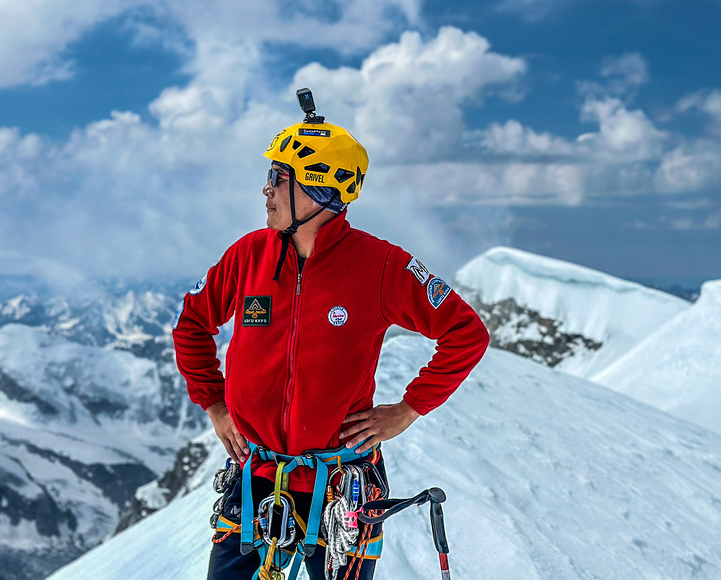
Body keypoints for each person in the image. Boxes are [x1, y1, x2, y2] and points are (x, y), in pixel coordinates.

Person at [173, 96, 489, 580]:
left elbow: (465, 332)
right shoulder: (248, 255)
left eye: (278, 178)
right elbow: (192, 324)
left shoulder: (381, 265)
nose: (266, 191)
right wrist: (214, 404)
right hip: (256, 480)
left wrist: (408, 409)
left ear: (319, 187)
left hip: (341, 487)